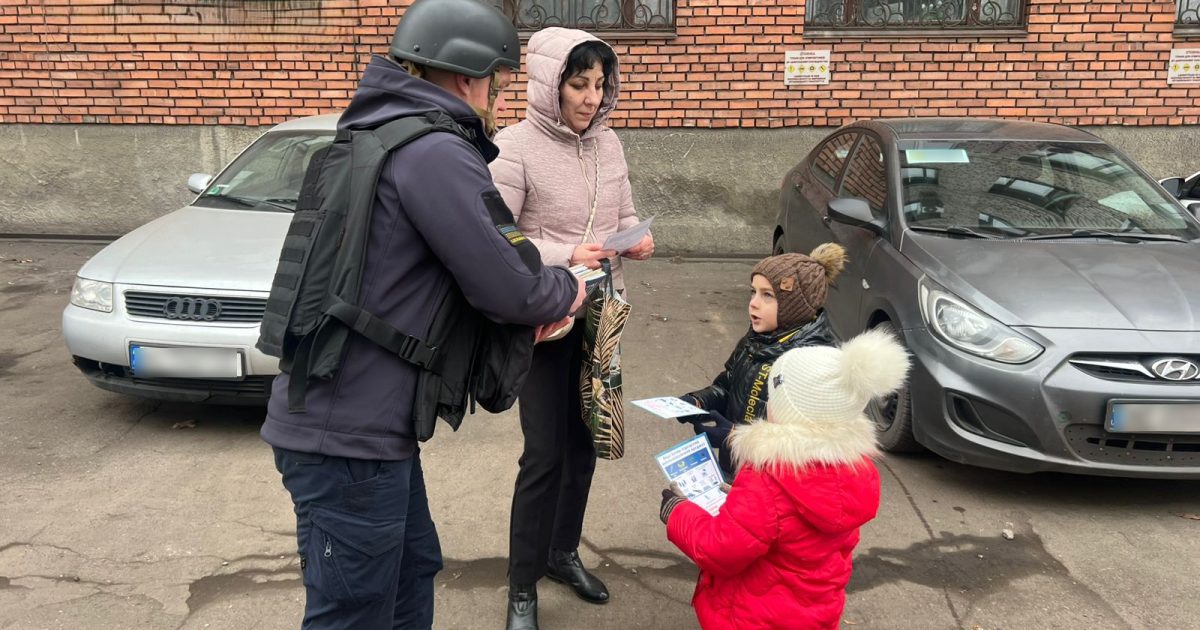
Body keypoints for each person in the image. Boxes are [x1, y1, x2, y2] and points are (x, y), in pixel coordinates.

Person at [260, 1, 586, 628]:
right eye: (498, 79)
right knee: (354, 614)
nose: (497, 96)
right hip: (348, 437)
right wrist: (567, 289)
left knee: (411, 576)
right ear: (470, 76)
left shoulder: (380, 134)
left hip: (364, 428)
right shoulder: (434, 151)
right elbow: (508, 283)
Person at [489, 27, 653, 630]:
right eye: (579, 84)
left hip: (601, 320)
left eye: (600, 85)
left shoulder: (609, 145)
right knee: (544, 454)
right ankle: (521, 586)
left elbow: (625, 213)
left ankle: (562, 554)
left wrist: (638, 239)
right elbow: (496, 238)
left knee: (585, 447)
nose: (591, 97)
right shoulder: (514, 145)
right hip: (544, 323)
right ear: (548, 83)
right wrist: (566, 254)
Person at [659, 329, 912, 630]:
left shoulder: (769, 480)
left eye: (773, 398)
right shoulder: (854, 471)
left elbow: (720, 549)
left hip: (751, 617)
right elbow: (788, 529)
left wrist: (678, 512)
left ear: (790, 411)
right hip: (815, 615)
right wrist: (739, 500)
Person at [675, 244, 847, 478]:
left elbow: (806, 442)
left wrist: (734, 434)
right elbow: (727, 384)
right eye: (753, 291)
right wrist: (698, 401)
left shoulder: (814, 361)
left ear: (793, 307)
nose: (753, 303)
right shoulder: (755, 339)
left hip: (771, 485)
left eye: (767, 295)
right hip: (733, 467)